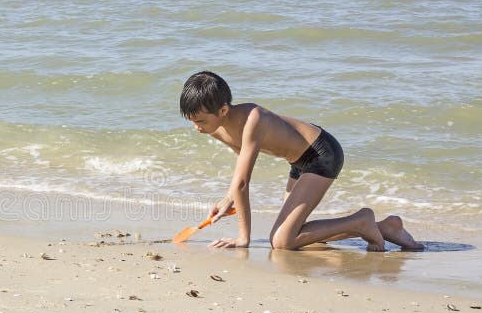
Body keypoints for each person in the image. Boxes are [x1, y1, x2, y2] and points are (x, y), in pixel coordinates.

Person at [179, 71, 423, 251]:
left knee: (282, 241)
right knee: (296, 233)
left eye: (200, 121)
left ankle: (361, 220)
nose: (196, 127)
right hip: (297, 162)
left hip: (321, 153)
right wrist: (227, 199)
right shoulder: (216, 128)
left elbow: (242, 183)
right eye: (192, 120)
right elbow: (240, 170)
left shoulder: (253, 119)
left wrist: (244, 238)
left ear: (223, 110)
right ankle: (385, 227)